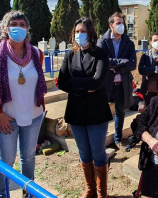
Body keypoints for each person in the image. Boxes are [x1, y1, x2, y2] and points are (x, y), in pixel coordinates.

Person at [58, 17, 112, 198]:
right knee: (84, 153)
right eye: (77, 31)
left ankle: (101, 191)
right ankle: (90, 189)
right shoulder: (69, 55)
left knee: (98, 152)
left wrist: (76, 83)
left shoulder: (101, 54)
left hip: (96, 111)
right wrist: (84, 85)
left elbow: (97, 82)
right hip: (76, 112)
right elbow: (62, 82)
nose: (80, 35)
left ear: (91, 33)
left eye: (84, 31)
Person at [0, 11, 47, 198]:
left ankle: (29, 193)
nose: (18, 27)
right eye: (14, 24)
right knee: (6, 162)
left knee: (28, 158)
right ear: (5, 28)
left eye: (22, 24)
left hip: (33, 116)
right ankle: (2, 194)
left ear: (27, 29)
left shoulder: (37, 53)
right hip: (7, 118)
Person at [97, 12, 136, 148]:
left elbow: (132, 64)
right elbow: (103, 62)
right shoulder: (102, 41)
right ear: (111, 25)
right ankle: (100, 140)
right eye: (118, 23)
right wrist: (121, 62)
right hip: (106, 83)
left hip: (122, 84)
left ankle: (118, 139)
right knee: (102, 112)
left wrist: (115, 67)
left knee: (120, 112)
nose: (121, 25)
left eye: (122, 23)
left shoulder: (129, 43)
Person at [138, 32, 158, 106]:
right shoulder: (145, 56)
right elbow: (141, 70)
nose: (157, 42)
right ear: (150, 42)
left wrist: (148, 75)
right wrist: (155, 69)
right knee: (148, 111)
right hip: (146, 89)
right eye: (155, 40)